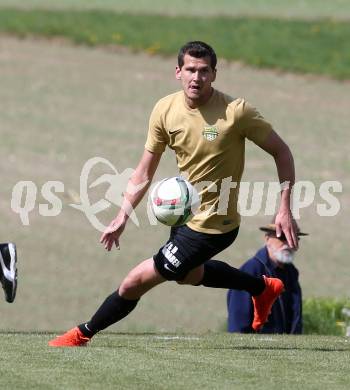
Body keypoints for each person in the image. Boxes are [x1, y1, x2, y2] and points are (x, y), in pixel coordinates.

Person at [49, 41, 298, 347]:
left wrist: (284, 208)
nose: (197, 77)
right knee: (188, 274)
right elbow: (143, 172)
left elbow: (282, 152)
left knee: (135, 282)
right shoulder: (165, 110)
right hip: (185, 216)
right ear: (178, 72)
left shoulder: (236, 112)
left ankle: (83, 333)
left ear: (214, 74)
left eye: (204, 71)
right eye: (191, 70)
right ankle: (261, 287)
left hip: (215, 225)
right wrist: (122, 214)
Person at [227, 222, 307, 334]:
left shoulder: (291, 272)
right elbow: (238, 322)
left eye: (294, 238)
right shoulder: (251, 270)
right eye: (283, 237)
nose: (289, 244)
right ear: (267, 239)